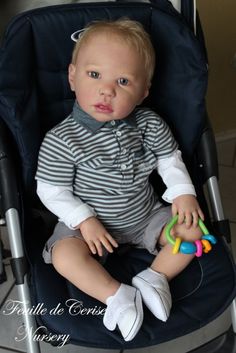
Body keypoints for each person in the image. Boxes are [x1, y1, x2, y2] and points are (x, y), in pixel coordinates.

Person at [35, 18, 204, 342]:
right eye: (94, 74)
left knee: (193, 229)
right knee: (63, 256)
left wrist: (182, 193)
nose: (107, 89)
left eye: (123, 81)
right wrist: (83, 220)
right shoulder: (63, 138)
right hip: (89, 226)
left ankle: (154, 277)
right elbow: (52, 189)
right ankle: (116, 296)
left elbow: (169, 159)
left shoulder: (149, 124)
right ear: (72, 77)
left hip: (145, 217)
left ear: (143, 92)